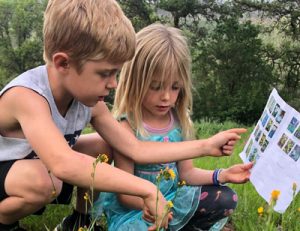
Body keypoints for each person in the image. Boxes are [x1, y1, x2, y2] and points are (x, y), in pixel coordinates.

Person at [0, 1, 246, 230]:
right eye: (105, 73)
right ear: (63, 63)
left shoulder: (89, 102)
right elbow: (63, 164)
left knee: (103, 145)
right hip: (17, 171)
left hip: (27, 168)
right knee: (47, 182)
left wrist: (205, 146)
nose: (114, 84)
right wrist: (146, 190)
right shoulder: (27, 97)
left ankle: (80, 218)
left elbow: (135, 149)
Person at [96, 23, 253, 231]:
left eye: (175, 87)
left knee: (225, 197)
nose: (166, 97)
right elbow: (124, 195)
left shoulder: (179, 121)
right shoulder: (127, 126)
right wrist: (153, 205)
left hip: (174, 200)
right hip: (140, 209)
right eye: (155, 86)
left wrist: (222, 175)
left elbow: (187, 174)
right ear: (135, 81)